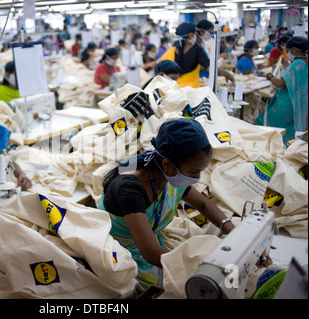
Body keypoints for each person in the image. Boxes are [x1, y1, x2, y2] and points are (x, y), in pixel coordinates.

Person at [97, 118, 235, 289]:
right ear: (167, 165)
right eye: (194, 171)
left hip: (151, 244)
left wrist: (233, 232)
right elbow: (151, 253)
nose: (197, 178)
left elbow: (203, 205)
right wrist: (206, 271)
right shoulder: (130, 188)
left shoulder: (167, 174)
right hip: (122, 254)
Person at [256, 36, 308, 145]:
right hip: (300, 105)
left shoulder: (296, 64)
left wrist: (270, 76)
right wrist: (287, 66)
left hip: (287, 105)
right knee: (291, 129)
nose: (288, 54)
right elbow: (296, 79)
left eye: (288, 51)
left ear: (294, 50)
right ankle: (289, 147)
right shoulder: (304, 64)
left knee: (261, 121)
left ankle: (274, 147)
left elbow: (280, 84)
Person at [159, 22, 210, 88]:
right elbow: (210, 68)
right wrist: (227, 74)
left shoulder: (172, 51)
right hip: (192, 92)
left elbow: (159, 68)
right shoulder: (197, 50)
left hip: (173, 90)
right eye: (195, 34)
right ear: (191, 35)